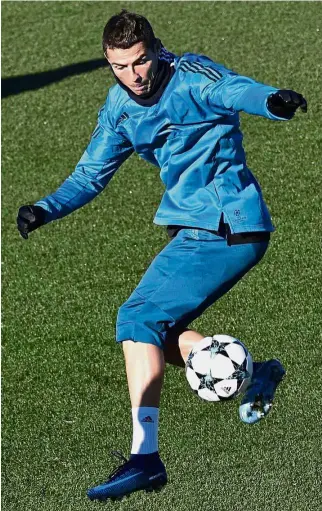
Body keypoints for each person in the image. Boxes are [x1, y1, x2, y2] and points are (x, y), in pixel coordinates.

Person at [17, 9, 307, 502]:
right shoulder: (120, 107)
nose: (135, 75)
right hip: (195, 230)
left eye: (141, 61)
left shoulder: (192, 76)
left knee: (136, 318)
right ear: (109, 64)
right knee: (159, 334)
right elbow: (91, 174)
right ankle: (253, 373)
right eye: (121, 67)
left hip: (225, 225)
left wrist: (272, 102)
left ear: (156, 50)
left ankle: (145, 458)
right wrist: (46, 208)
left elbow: (235, 90)